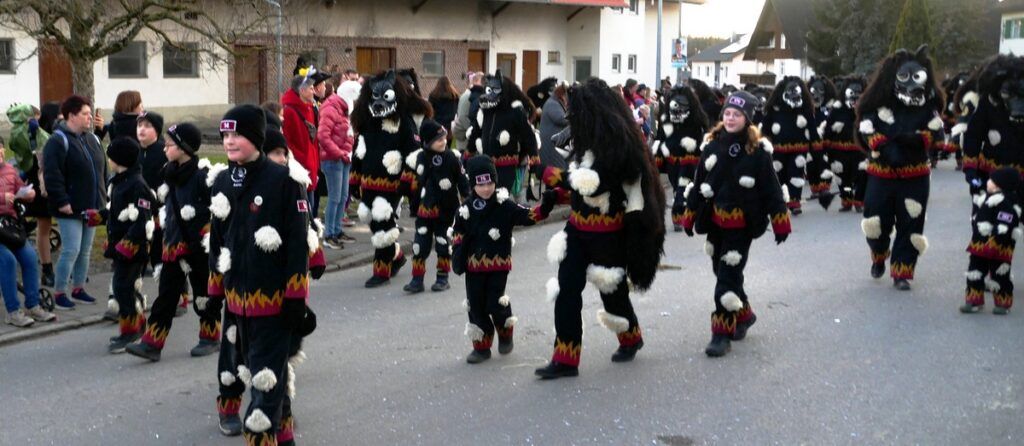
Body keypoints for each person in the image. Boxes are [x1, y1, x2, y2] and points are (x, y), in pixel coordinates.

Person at [534, 79, 667, 379]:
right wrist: (559, 196)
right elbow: (580, 188)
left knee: (612, 292)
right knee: (566, 290)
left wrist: (547, 173)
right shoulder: (585, 146)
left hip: (608, 235)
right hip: (576, 231)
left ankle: (630, 336)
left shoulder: (618, 150)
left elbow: (592, 184)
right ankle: (565, 359)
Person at [206, 105, 311, 444]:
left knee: (265, 381)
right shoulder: (221, 181)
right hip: (236, 302)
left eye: (237, 134)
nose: (229, 141)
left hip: (274, 303)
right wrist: (214, 293)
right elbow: (217, 242)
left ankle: (263, 434)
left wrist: (296, 296)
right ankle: (284, 435)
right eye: (225, 134)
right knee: (250, 369)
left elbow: (298, 244)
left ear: (256, 136)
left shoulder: (284, 181)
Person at [680, 91, 792, 357]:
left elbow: (771, 189)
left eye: (737, 115)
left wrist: (780, 222)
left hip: (741, 227)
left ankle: (721, 334)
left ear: (747, 119)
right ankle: (744, 315)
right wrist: (689, 214)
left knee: (727, 278)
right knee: (721, 271)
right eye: (728, 114)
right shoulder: (712, 146)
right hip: (715, 223)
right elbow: (699, 181)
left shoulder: (758, 152)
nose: (730, 118)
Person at [125, 123, 221, 361]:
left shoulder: (203, 176)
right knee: (166, 296)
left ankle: (210, 336)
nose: (165, 148)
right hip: (173, 246)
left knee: (203, 294)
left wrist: (204, 237)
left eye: (169, 144)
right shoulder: (168, 172)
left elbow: (216, 211)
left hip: (198, 248)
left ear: (184, 147)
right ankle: (152, 343)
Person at [451, 155, 555, 363]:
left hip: (498, 265)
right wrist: (458, 251)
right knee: (475, 305)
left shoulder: (504, 205)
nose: (486, 189)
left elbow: (525, 215)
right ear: (473, 185)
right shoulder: (465, 209)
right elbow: (457, 232)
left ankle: (505, 332)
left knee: (495, 302)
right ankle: (481, 347)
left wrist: (544, 208)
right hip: (473, 267)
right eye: (481, 184)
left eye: (489, 183)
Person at [856, 46, 944, 291]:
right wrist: (884, 147)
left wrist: (915, 142)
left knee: (911, 223)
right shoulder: (878, 104)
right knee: (875, 222)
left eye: (916, 77)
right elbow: (866, 131)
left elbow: (936, 134)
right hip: (882, 175)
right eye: (905, 77)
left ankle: (902, 271)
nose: (911, 84)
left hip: (915, 177)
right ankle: (879, 254)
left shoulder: (928, 107)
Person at [350, 70, 420, 288]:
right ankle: (396, 256)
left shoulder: (404, 122)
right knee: (370, 219)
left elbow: (413, 154)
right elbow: (359, 152)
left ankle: (381, 271)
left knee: (383, 222)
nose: (380, 103)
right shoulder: (367, 122)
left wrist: (407, 181)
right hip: (368, 182)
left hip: (392, 185)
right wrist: (354, 179)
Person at [43, 95, 108, 311]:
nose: (90, 117)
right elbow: (52, 175)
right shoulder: (57, 141)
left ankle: (78, 288)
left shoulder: (92, 139)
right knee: (71, 249)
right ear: (71, 116)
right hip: (69, 207)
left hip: (92, 205)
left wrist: (104, 196)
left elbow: (102, 170)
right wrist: (62, 201)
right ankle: (60, 292)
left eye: (90, 113)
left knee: (85, 250)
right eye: (85, 114)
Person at [104, 137, 156, 353]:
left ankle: (131, 330)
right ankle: (137, 324)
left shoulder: (137, 185)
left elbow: (143, 220)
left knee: (123, 288)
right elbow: (114, 211)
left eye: (111, 157)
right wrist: (97, 216)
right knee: (123, 287)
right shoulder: (119, 181)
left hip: (133, 249)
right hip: (120, 247)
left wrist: (126, 245)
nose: (108, 160)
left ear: (120, 160)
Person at [404, 120, 468, 294]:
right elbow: (412, 181)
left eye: (444, 138)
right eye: (439, 140)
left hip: (446, 210)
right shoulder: (420, 157)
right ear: (428, 141)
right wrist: (411, 197)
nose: (444, 142)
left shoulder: (451, 157)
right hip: (424, 211)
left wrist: (466, 200)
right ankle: (417, 279)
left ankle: (442, 277)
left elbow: (462, 180)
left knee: (442, 244)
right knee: (419, 245)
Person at [0, 142, 56, 327]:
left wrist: (28, 193)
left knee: (30, 258)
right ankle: (13, 311)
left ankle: (33, 305)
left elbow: (20, 188)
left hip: (10, 226)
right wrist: (2, 197)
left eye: (0, 148)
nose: (0, 152)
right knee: (7, 261)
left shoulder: (10, 170)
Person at [7, 103, 56, 286]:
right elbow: (32, 155)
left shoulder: (32, 132)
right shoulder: (29, 134)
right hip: (39, 184)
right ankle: (47, 269)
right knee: (44, 226)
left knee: (45, 226)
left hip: (40, 182)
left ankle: (49, 269)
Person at [961, 167, 1021, 315]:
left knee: (1000, 275)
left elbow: (1005, 224)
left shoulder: (1006, 202)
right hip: (979, 245)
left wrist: (996, 240)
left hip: (998, 246)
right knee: (975, 272)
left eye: (991, 180)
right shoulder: (986, 197)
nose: (987, 182)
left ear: (1000, 185)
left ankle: (1003, 302)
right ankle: (973, 300)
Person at [317, 81, 356, 249]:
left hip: (344, 157)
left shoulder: (344, 108)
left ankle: (337, 230)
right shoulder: (331, 108)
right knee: (335, 197)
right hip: (333, 159)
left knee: (343, 196)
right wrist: (340, 153)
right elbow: (323, 136)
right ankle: (329, 234)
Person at [281, 73, 321, 215]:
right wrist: (302, 161)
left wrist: (315, 164)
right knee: (303, 213)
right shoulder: (289, 111)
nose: (314, 91)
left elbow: (312, 140)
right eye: (311, 88)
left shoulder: (309, 108)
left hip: (311, 167)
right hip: (301, 169)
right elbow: (288, 142)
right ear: (302, 90)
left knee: (311, 208)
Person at [538, 82, 570, 171]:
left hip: (555, 143)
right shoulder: (552, 103)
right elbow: (561, 119)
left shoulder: (555, 102)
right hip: (551, 144)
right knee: (556, 170)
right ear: (562, 94)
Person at [453, 72, 485, 154]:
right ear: (475, 81)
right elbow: (462, 117)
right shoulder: (466, 96)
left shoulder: (478, 95)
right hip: (465, 139)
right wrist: (474, 130)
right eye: (482, 81)